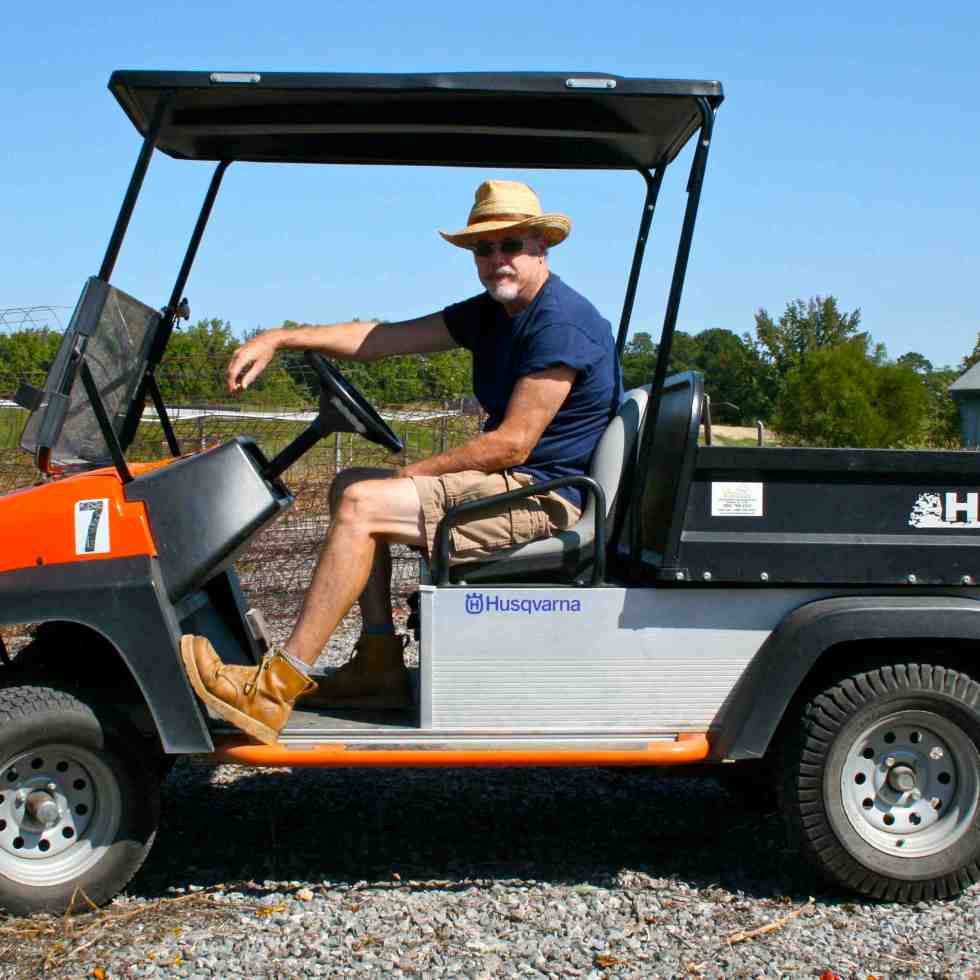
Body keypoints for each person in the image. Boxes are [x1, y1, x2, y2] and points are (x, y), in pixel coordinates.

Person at [180, 179, 623, 745]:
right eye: (483, 248)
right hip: (512, 483)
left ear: (541, 246)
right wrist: (282, 339)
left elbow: (511, 444)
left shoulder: (560, 323)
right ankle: (379, 665)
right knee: (348, 485)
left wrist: (414, 473)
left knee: (363, 504)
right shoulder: (494, 314)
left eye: (510, 244)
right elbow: (381, 338)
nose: (496, 259)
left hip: (543, 497)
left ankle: (272, 690)